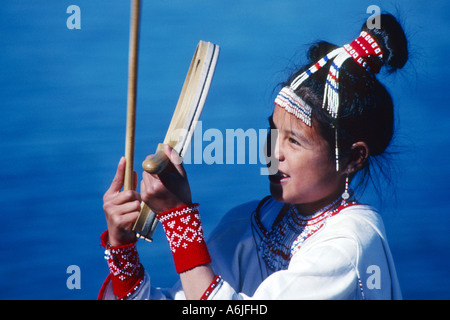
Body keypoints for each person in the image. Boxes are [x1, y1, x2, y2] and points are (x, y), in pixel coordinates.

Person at [98, 13, 408, 300]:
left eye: (295, 142)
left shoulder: (349, 244)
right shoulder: (250, 223)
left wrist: (181, 223)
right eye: (272, 131)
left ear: (353, 158)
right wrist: (122, 247)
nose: (274, 152)